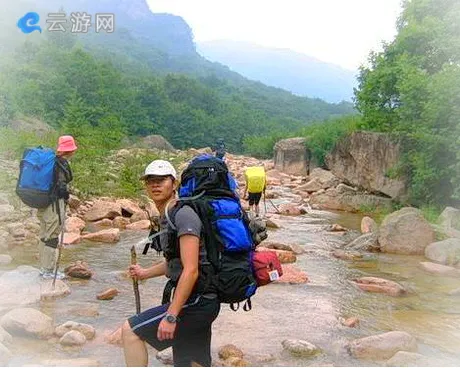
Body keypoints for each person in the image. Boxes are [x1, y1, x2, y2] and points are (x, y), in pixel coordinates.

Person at [121, 160, 220, 367]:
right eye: (151, 181)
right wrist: (144, 273)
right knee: (190, 362)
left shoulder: (183, 215)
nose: (155, 185)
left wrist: (171, 316)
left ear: (174, 184)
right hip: (200, 299)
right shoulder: (169, 215)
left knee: (130, 332)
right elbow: (177, 263)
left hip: (197, 300)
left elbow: (191, 270)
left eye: (161, 180)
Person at [37, 135, 77, 279]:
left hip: (42, 202)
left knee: (43, 235)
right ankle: (48, 271)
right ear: (70, 150)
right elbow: (61, 186)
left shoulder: (50, 161)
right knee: (52, 237)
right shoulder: (61, 163)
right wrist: (66, 196)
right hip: (55, 204)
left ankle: (42, 268)